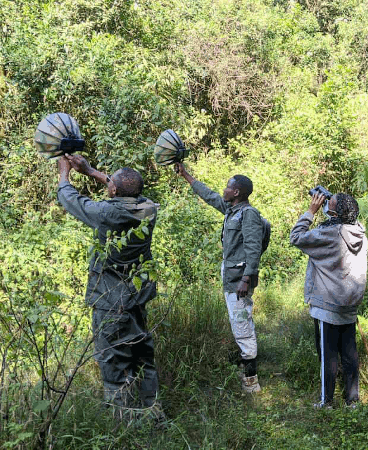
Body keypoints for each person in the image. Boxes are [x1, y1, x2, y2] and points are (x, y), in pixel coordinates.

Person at [57, 154, 163, 421]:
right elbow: (127, 189)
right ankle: (152, 410)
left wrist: (64, 173)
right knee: (141, 352)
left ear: (113, 190)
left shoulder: (107, 213)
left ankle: (123, 417)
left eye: (110, 184)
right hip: (137, 296)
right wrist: (92, 171)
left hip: (110, 299)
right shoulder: (150, 207)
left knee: (112, 357)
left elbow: (70, 199)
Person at [173, 162, 263, 393]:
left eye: (228, 187)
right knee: (238, 323)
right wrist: (186, 176)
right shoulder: (231, 210)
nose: (224, 189)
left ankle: (251, 381)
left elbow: (253, 249)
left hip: (239, 282)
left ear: (237, 192)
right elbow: (210, 196)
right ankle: (246, 370)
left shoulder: (248, 214)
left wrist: (246, 279)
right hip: (232, 279)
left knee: (243, 325)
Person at [290, 191, 368, 409]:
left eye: (329, 204)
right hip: (350, 303)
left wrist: (311, 212)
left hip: (328, 305)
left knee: (328, 356)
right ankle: (353, 400)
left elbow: (296, 237)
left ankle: (327, 402)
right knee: (350, 353)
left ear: (336, 212)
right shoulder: (359, 231)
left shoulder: (330, 233)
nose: (326, 205)